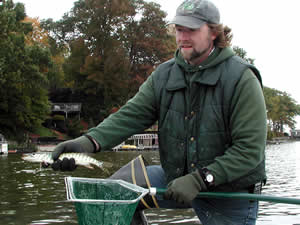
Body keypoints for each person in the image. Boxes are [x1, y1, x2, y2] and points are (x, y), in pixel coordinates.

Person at [51, 0, 267, 224]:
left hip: (228, 190)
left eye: (191, 30)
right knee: (110, 196)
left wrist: (201, 179)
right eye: (179, 29)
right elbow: (130, 116)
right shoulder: (163, 75)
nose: (182, 37)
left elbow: (249, 151)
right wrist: (87, 142)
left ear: (213, 32)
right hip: (176, 177)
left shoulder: (242, 78)